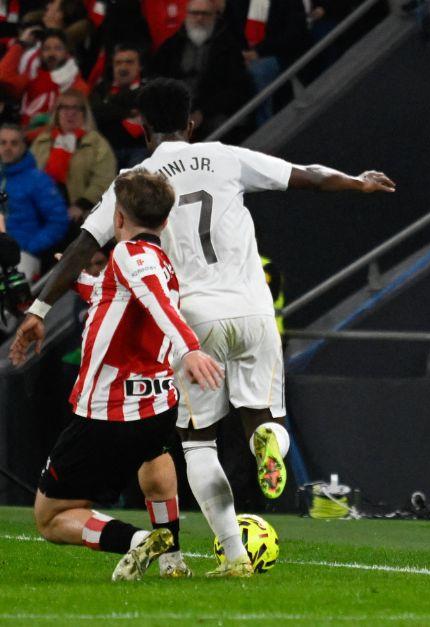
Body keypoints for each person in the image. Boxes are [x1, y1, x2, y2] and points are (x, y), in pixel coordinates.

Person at [10, 77, 395, 577]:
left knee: (197, 441)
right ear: (192, 122)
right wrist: (357, 182)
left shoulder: (137, 179)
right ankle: (268, 445)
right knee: (262, 415)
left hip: (193, 320)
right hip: (256, 309)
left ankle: (232, 552)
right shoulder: (227, 157)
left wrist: (38, 311)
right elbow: (309, 175)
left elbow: (84, 246)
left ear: (140, 125)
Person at [21, 170, 223, 580]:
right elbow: (115, 297)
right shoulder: (160, 262)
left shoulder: (130, 256)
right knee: (155, 456)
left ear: (117, 220)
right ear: (165, 223)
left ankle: (135, 542)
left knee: (50, 516)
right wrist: (76, 277)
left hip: (105, 411)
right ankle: (172, 557)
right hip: (157, 404)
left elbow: (157, 303)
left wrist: (190, 350)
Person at [150, 0, 252, 140]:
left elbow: (237, 90)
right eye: (194, 13)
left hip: (213, 113)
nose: (199, 18)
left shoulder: (229, 46)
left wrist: (202, 113)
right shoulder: (172, 45)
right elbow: (156, 78)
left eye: (205, 14)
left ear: (214, 16)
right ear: (186, 15)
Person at [30, 88, 118, 227]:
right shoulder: (42, 141)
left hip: (80, 214)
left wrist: (81, 205)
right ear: (57, 112)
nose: (70, 113)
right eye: (64, 107)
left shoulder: (97, 144)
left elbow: (103, 180)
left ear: (85, 112)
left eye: (76, 108)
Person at [0, 123, 69, 281]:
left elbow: (58, 221)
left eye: (14, 143)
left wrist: (29, 247)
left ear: (24, 146)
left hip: (22, 254)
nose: (8, 147)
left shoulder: (38, 180)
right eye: (3, 143)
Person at [0, 28, 89, 128]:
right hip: (21, 134)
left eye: (58, 48)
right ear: (40, 53)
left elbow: (67, 124)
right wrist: (20, 44)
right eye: (47, 49)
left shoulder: (76, 85)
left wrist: (28, 135)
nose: (52, 53)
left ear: (67, 52)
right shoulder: (32, 75)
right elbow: (3, 78)